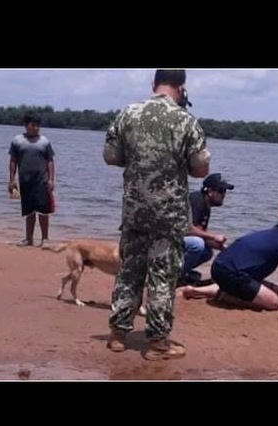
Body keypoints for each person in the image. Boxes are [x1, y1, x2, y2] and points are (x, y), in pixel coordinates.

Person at [103, 69, 211, 361]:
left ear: (154, 84)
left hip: (135, 209)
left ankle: (117, 334)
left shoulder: (128, 113)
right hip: (168, 214)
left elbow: (111, 156)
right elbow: (201, 169)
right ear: (182, 87)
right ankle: (158, 343)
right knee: (162, 278)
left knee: (129, 272)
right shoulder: (186, 120)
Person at [181, 222, 278, 311]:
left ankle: (196, 290)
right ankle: (226, 296)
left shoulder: (267, 235)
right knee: (274, 302)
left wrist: (272, 286)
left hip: (219, 267)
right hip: (232, 274)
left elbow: (249, 274)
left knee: (239, 284)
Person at [8, 111, 55, 247]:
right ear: (25, 125)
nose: (36, 128)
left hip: (42, 180)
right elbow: (13, 161)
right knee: (28, 211)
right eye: (33, 125)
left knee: (43, 211)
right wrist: (12, 179)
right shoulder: (17, 141)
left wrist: (51, 179)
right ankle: (29, 239)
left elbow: (50, 161)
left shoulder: (44, 142)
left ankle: (45, 239)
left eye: (38, 126)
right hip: (25, 180)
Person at [180, 172, 234, 285]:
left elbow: (200, 232)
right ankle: (175, 275)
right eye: (221, 191)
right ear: (210, 191)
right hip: (169, 240)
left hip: (181, 240)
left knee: (207, 251)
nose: (224, 195)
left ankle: (182, 272)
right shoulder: (196, 200)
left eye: (225, 191)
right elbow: (188, 230)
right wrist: (214, 236)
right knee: (197, 244)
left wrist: (224, 248)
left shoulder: (206, 206)